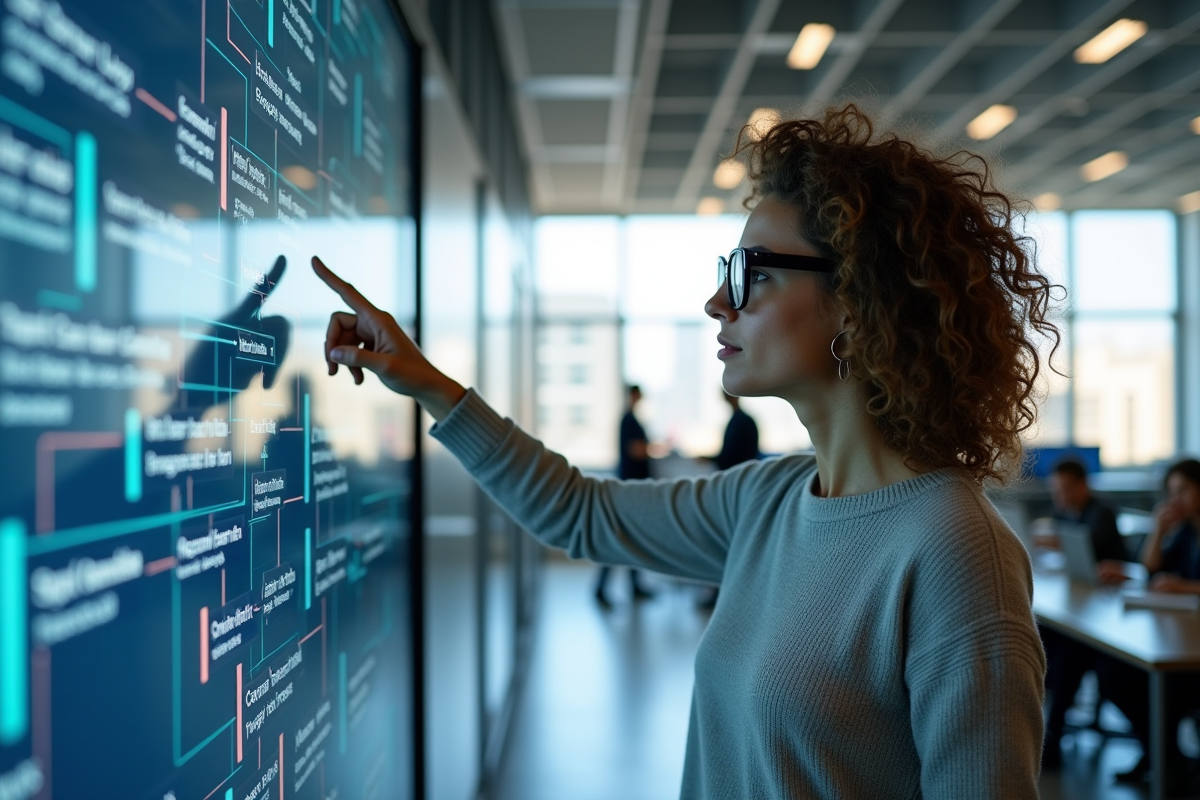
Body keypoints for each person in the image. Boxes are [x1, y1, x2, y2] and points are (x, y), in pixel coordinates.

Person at [311, 103, 1056, 798]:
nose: (717, 303)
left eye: (752, 273)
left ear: (859, 301)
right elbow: (581, 513)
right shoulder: (767, 501)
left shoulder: (956, 552)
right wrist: (429, 384)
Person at [1094, 459, 1200, 787]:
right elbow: (1152, 570)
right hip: (1183, 632)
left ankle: (1165, 759)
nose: (1175, 499)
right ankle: (1166, 757)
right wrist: (1158, 529)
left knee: (1160, 687)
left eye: (1183, 490)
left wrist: (1183, 586)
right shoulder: (1186, 530)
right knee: (1113, 673)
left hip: (1192, 651)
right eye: (1171, 492)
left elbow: (1175, 581)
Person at [1039, 457, 1132, 768]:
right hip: (1084, 600)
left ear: (1083, 485)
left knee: (1069, 649)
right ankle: (1050, 726)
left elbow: (1089, 545)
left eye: (1066, 489)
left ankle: (1053, 730)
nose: (1061, 497)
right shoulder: (1066, 510)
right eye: (1057, 491)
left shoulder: (1101, 511)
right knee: (1049, 635)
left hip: (1109, 606)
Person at [695, 393, 760, 607]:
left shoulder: (742, 422)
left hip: (740, 491)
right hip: (739, 489)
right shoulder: (741, 421)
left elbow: (733, 457)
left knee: (730, 543)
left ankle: (724, 594)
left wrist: (710, 458)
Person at [594, 385, 655, 606]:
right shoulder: (628, 420)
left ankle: (634, 585)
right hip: (629, 488)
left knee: (630, 538)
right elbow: (635, 450)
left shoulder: (631, 419)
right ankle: (600, 589)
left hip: (633, 487)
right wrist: (653, 447)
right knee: (619, 538)